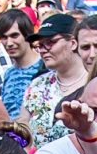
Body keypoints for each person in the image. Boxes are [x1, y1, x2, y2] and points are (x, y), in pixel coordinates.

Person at [22, 13, 90, 145]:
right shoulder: (37, 84)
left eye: (50, 42)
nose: (43, 50)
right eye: (40, 45)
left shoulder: (94, 83)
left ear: (73, 43)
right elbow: (23, 121)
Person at [0, 8, 46, 114]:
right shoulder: (9, 73)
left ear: (27, 35)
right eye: (4, 37)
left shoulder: (45, 67)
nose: (9, 43)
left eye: (14, 36)